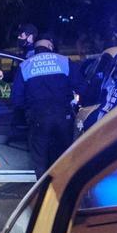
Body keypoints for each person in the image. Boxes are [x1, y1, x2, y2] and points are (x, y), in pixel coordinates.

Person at [11, 36, 80, 178]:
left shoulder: (26, 65)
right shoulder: (63, 61)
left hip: (38, 118)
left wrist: (27, 112)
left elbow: (16, 99)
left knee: (40, 158)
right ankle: (65, 190)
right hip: (63, 117)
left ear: (36, 50)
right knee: (64, 156)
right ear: (50, 46)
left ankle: (44, 192)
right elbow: (82, 87)